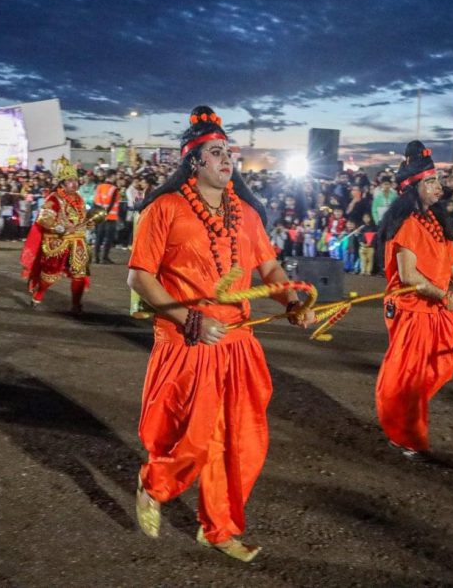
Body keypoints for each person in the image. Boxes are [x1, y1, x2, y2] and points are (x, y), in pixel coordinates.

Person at [127, 106, 314, 562]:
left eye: (229, 151)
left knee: (241, 442)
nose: (227, 159)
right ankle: (154, 483)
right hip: (187, 341)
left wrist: (291, 301)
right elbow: (139, 278)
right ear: (195, 161)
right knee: (191, 440)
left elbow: (267, 266)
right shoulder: (164, 208)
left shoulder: (246, 213)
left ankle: (219, 528)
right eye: (216, 152)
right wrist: (190, 320)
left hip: (237, 342)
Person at [374, 141, 453, 459]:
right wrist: (445, 295)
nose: (437, 187)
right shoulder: (408, 224)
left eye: (437, 180)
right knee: (412, 378)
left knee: (446, 362)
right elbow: (409, 277)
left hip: (437, 308)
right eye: (430, 181)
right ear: (412, 188)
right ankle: (408, 436)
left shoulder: (438, 223)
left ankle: (401, 417)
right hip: (412, 310)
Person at [20, 157, 95, 313]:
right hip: (58, 242)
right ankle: (38, 295)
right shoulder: (54, 199)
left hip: (78, 241)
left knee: (79, 274)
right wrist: (61, 228)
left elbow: (82, 217)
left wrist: (88, 222)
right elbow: (44, 219)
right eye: (69, 181)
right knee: (49, 275)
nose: (74, 183)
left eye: (75, 180)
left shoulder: (79, 199)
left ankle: (76, 305)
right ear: (62, 183)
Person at [92, 171, 120, 264]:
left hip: (100, 217)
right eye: (115, 176)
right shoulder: (114, 189)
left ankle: (96, 258)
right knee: (108, 238)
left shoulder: (99, 187)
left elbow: (96, 202)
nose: (116, 178)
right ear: (111, 176)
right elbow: (112, 204)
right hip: (110, 217)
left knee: (99, 237)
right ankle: (105, 257)